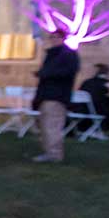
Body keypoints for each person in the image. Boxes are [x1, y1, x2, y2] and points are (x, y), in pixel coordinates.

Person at [30, 29, 80, 163]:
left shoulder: (68, 55)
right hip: (46, 94)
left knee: (52, 125)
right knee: (45, 125)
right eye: (52, 37)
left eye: (56, 37)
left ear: (63, 38)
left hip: (57, 95)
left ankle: (54, 154)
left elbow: (68, 72)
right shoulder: (52, 55)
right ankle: (48, 151)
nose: (53, 40)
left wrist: (46, 74)